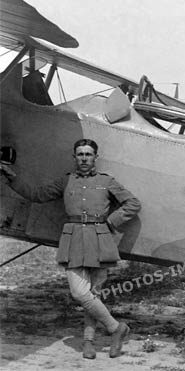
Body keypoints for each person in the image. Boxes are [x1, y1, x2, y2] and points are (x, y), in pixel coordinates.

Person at [0, 138, 141, 359]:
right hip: (74, 239)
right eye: (80, 154)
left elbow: (132, 203)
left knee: (93, 294)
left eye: (88, 154)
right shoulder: (66, 181)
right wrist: (11, 179)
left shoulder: (107, 181)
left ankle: (88, 342)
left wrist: (111, 222)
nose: (84, 158)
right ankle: (116, 329)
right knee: (80, 293)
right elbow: (37, 195)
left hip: (99, 240)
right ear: (74, 157)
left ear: (96, 157)